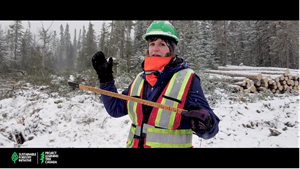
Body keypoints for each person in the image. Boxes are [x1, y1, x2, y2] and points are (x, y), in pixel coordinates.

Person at [92, 21, 219, 148]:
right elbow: (115, 109)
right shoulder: (140, 79)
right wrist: (106, 80)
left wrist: (206, 123)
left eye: (162, 44)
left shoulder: (187, 79)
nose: (155, 48)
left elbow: (210, 129)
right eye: (152, 44)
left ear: (171, 49)